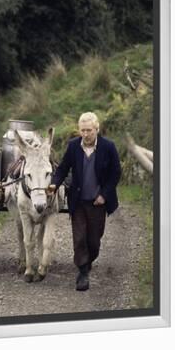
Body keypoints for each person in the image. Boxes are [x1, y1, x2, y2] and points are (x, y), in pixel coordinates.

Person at [48, 112, 121, 291]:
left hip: (98, 202)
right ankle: (82, 272)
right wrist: (54, 185)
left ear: (97, 129)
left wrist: (104, 194)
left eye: (89, 130)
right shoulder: (73, 146)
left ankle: (88, 261)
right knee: (79, 238)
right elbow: (63, 168)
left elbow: (115, 173)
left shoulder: (108, 147)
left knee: (94, 241)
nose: (86, 134)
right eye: (83, 130)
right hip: (78, 201)